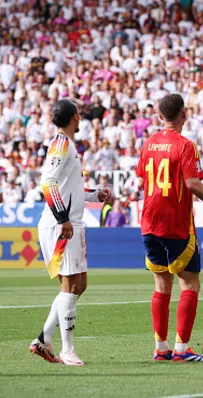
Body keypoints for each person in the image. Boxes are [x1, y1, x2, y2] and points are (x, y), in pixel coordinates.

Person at [136, 94, 203, 362]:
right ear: (184, 115)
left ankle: (161, 347)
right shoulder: (186, 145)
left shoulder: (148, 144)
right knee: (190, 284)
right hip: (176, 224)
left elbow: (142, 179)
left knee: (161, 286)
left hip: (148, 222)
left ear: (160, 116)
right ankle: (182, 349)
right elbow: (192, 183)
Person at [30, 99, 111, 366]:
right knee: (70, 285)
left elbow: (69, 189)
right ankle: (66, 349)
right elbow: (47, 181)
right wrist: (62, 216)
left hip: (68, 221)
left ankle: (44, 338)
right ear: (76, 117)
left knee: (78, 285)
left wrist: (95, 195)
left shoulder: (66, 145)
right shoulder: (62, 144)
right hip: (61, 223)